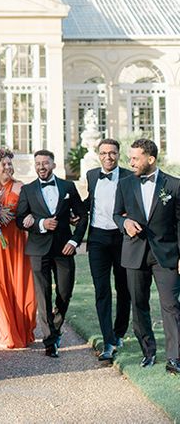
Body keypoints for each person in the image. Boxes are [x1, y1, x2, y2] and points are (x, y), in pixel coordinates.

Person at [113, 138, 180, 374]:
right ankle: (148, 352)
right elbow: (116, 215)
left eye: (135, 158)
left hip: (167, 255)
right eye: (130, 158)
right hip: (134, 254)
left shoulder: (174, 185)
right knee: (139, 304)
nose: (130, 162)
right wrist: (125, 222)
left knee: (171, 305)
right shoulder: (124, 184)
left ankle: (174, 358)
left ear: (150, 159)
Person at [16, 149, 87, 357]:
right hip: (38, 249)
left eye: (45, 163)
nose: (41, 167)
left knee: (65, 293)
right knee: (43, 294)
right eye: (38, 163)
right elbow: (20, 220)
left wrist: (75, 240)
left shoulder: (68, 187)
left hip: (64, 248)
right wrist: (40, 223)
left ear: (53, 165)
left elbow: (83, 216)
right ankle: (49, 341)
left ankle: (55, 327)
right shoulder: (28, 190)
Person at [0, 148, 36, 348]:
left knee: (19, 283)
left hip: (15, 241)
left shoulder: (20, 187)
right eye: (4, 165)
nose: (8, 168)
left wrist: (30, 218)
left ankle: (23, 328)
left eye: (10, 164)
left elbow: (29, 212)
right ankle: (7, 333)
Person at [84, 138, 131, 363]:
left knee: (124, 288)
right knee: (101, 289)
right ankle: (108, 340)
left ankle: (120, 332)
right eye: (104, 153)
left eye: (112, 153)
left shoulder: (130, 176)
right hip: (97, 239)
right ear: (98, 155)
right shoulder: (92, 175)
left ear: (118, 154)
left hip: (122, 238)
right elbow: (91, 200)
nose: (108, 157)